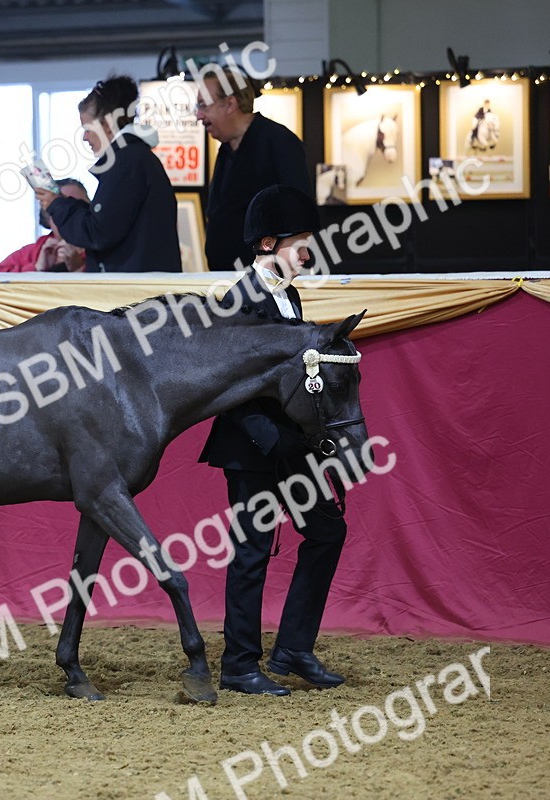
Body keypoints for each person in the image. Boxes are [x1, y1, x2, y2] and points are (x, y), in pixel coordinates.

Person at [199, 184, 348, 696]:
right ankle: (239, 664)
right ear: (267, 243)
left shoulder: (291, 295)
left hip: (293, 446)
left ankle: (292, 648)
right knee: (252, 551)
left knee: (328, 533)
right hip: (253, 447)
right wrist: (273, 441)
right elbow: (227, 385)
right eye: (299, 241)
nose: (308, 251)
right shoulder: (238, 300)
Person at [36, 75, 180, 273]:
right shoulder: (135, 158)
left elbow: (99, 231)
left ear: (106, 124)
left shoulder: (127, 162)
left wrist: (57, 205)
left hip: (134, 295)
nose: (85, 138)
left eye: (87, 129)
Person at [195, 68, 312, 272]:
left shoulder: (280, 142)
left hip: (264, 283)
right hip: (228, 279)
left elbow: (298, 214)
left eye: (203, 105)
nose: (198, 115)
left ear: (230, 104)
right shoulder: (225, 149)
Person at [0, 179, 89, 273]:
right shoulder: (31, 253)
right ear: (47, 218)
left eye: (80, 208)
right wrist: (36, 268)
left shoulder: (103, 249)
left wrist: (80, 269)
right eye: (61, 209)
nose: (72, 216)